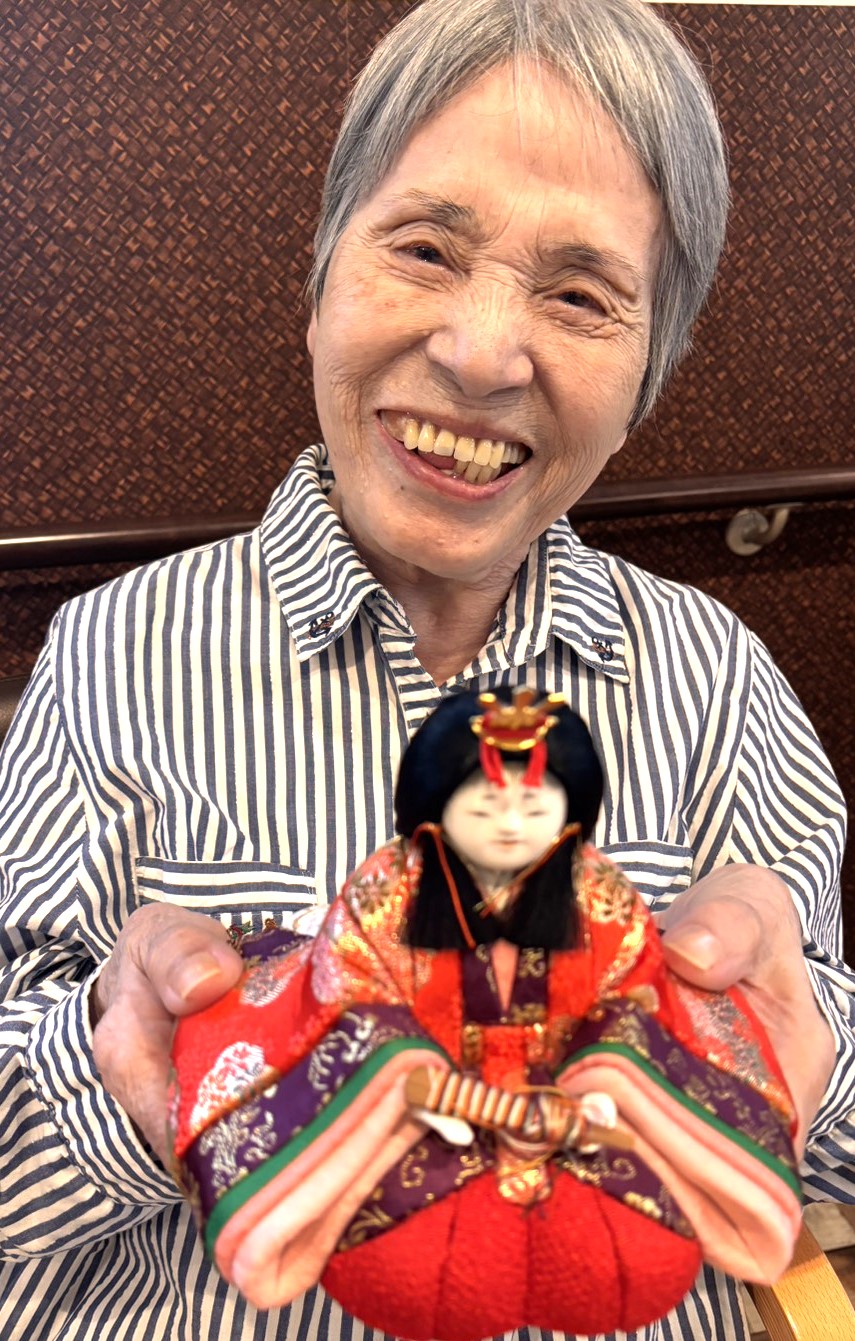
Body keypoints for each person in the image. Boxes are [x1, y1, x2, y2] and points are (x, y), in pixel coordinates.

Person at [0, 0, 850, 1338]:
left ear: (646, 373)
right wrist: (123, 1073)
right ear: (322, 277)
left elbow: (832, 1138)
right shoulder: (112, 657)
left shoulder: (720, 683)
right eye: (424, 248)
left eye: (580, 295)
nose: (478, 353)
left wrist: (791, 1064)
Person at [168, 690, 801, 1339]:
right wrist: (416, 1083)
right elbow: (352, 993)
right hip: (426, 1102)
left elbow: (630, 992)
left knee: (632, 1254)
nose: (510, 825)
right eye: (484, 804)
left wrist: (603, 1081)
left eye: (535, 805)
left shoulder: (597, 891)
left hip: (569, 1099)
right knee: (407, 1265)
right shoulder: (388, 892)